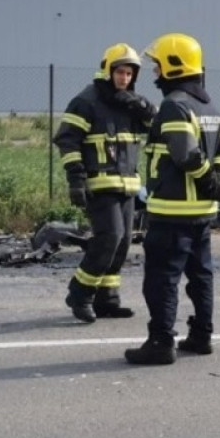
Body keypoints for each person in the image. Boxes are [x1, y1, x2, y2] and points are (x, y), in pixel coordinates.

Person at [125, 33, 220, 366]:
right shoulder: (208, 106)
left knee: (162, 280)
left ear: (173, 66)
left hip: (172, 211)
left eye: (158, 65)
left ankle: (160, 343)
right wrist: (218, 180)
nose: (154, 72)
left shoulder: (175, 105)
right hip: (202, 213)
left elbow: (186, 155)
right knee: (201, 276)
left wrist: (209, 182)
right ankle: (201, 337)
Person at [53, 43, 156, 323]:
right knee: (109, 237)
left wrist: (142, 106)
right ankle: (80, 293)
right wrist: (76, 180)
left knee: (122, 242)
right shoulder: (87, 101)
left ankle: (107, 299)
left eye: (129, 74)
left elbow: (155, 125)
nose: (125, 78)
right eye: (120, 72)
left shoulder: (130, 102)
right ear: (108, 71)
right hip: (99, 186)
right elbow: (67, 139)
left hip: (128, 186)